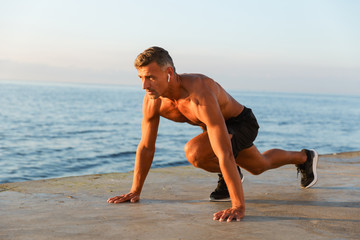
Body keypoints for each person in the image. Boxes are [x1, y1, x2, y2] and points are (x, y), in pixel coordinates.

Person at [107, 46, 319, 222]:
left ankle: (230, 181)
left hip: (241, 123)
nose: (144, 85)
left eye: (151, 77)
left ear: (169, 73)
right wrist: (135, 191)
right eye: (141, 77)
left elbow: (224, 153)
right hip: (215, 128)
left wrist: (238, 206)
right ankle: (305, 157)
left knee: (195, 152)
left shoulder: (199, 94)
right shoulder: (153, 100)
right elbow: (146, 146)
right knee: (259, 166)